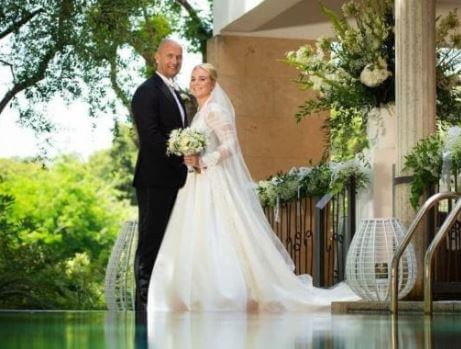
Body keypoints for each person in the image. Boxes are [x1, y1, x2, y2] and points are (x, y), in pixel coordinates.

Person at [147, 63, 358, 313]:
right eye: (193, 78)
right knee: (198, 233)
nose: (196, 83)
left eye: (202, 78)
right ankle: (197, 292)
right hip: (196, 182)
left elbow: (231, 144)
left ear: (213, 84)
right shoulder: (199, 113)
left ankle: (229, 292)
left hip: (214, 180)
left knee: (222, 232)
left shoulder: (214, 109)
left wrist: (205, 160)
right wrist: (190, 157)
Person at [131, 38, 188, 312]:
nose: (174, 62)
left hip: (174, 180)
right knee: (151, 240)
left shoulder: (177, 93)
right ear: (157, 57)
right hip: (154, 180)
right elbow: (151, 137)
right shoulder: (146, 91)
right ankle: (142, 301)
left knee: (168, 240)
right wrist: (181, 158)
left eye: (178, 57)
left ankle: (159, 299)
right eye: (169, 56)